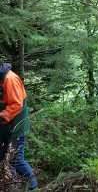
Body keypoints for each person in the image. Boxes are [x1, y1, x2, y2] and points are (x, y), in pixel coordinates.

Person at [0, 63, 38, 191]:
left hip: (17, 127)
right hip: (8, 128)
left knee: (15, 159)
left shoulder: (10, 79)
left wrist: (2, 116)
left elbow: (16, 104)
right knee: (5, 157)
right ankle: (12, 186)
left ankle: (34, 186)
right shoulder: (3, 78)